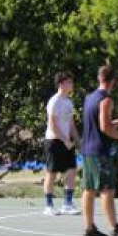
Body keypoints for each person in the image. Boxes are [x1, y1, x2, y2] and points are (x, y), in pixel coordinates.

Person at [80, 65, 118, 236]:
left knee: (88, 189)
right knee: (107, 190)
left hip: (87, 150)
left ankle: (89, 228)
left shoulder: (89, 98)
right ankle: (115, 229)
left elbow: (100, 122)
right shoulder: (106, 100)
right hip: (100, 151)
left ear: (99, 78)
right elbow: (105, 128)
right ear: (113, 81)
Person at [43, 72, 80, 216]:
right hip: (53, 141)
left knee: (71, 170)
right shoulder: (54, 101)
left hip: (67, 142)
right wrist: (65, 140)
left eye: (72, 82)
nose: (72, 85)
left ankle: (67, 204)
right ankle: (48, 206)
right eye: (69, 82)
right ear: (61, 84)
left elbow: (71, 125)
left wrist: (78, 141)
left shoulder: (69, 102)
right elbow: (52, 125)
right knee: (51, 173)